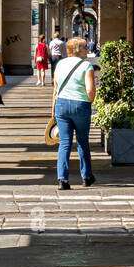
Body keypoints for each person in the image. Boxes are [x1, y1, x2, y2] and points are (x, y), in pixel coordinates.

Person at [50, 36, 99, 190]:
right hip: (80, 104)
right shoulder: (86, 66)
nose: (87, 50)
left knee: (64, 143)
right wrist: (90, 101)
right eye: (85, 47)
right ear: (79, 50)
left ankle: (62, 180)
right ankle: (86, 176)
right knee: (82, 142)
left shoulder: (60, 64)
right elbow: (90, 89)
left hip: (62, 104)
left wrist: (53, 110)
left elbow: (55, 89)